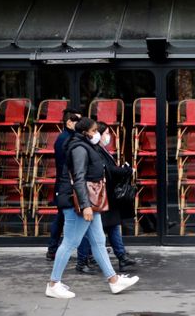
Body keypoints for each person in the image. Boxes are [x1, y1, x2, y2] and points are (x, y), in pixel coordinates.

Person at [45, 117, 139, 299]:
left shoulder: (86, 146)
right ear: (85, 132)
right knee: (70, 242)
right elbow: (79, 178)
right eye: (95, 130)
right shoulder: (79, 148)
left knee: (98, 242)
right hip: (79, 203)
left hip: (87, 202)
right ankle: (53, 283)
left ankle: (113, 280)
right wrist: (85, 206)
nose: (97, 134)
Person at [47, 108, 95, 275]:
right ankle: (81, 259)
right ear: (69, 122)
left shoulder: (68, 138)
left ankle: (54, 250)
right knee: (74, 227)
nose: (80, 125)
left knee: (62, 220)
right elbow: (72, 169)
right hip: (69, 187)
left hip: (66, 186)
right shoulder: (66, 140)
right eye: (77, 121)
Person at [94, 121, 137, 272]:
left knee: (113, 226)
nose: (109, 136)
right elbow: (109, 170)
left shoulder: (101, 150)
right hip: (101, 196)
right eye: (106, 133)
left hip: (107, 196)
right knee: (93, 230)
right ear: (98, 135)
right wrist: (125, 171)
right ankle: (85, 259)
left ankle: (121, 257)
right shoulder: (97, 151)